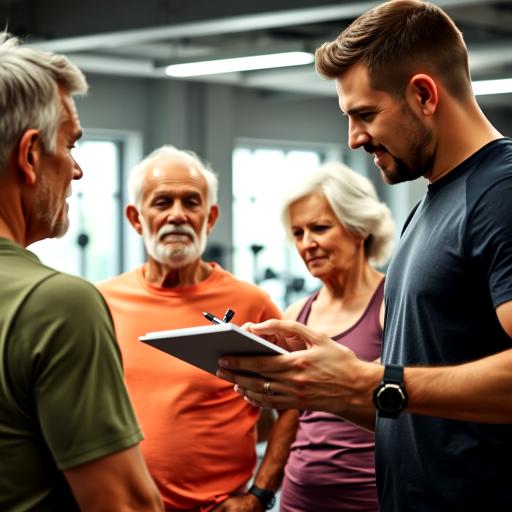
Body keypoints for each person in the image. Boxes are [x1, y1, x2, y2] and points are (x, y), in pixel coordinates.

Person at [216, 1, 512, 510]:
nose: (354, 138)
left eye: (365, 115)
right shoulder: (430, 206)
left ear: (423, 94)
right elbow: (424, 414)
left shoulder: (500, 192)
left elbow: (395, 386)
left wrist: (373, 379)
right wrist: (324, 388)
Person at [0, 32, 163, 511]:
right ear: (30, 155)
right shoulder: (56, 305)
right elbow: (125, 505)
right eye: (70, 145)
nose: (76, 170)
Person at [98, 145, 297, 512]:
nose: (178, 215)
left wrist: (261, 494)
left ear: (210, 217)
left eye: (191, 202)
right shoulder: (101, 303)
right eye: (162, 202)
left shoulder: (253, 305)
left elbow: (293, 404)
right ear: (135, 218)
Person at [277, 162, 394, 512]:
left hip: (370, 496)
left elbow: (415, 404)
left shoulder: (393, 301)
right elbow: (289, 417)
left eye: (320, 228)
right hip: (299, 496)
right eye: (298, 233)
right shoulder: (295, 314)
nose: (307, 244)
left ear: (359, 230)